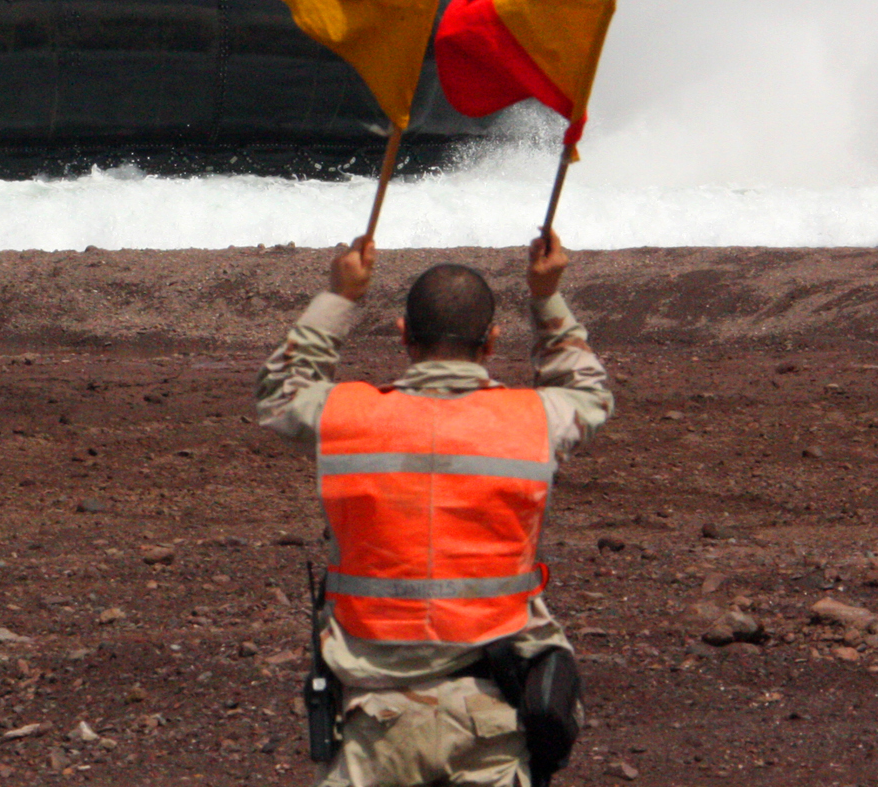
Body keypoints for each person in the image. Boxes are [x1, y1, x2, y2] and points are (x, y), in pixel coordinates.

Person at [257, 230, 612, 787]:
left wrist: (340, 296)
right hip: (491, 712)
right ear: (491, 341)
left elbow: (280, 390)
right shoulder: (533, 421)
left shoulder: (346, 417)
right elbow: (588, 388)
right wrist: (546, 297)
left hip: (373, 722)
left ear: (404, 336)